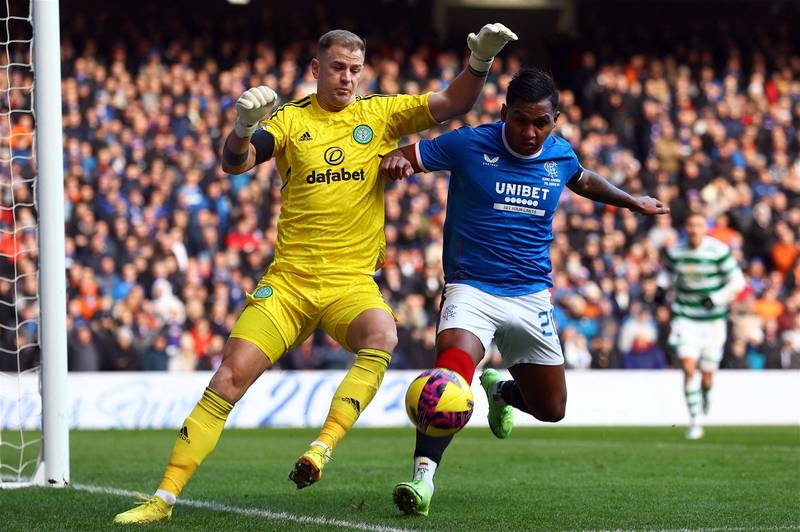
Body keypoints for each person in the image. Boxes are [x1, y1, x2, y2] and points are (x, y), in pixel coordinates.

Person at [113, 24, 518, 524]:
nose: (347, 78)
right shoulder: (288, 120)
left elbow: (453, 102)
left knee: (382, 334)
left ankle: (321, 449)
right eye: (337, 68)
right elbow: (234, 163)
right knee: (228, 378)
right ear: (316, 69)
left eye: (354, 69)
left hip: (350, 283)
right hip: (288, 283)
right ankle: (163, 498)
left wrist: (479, 63)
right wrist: (240, 130)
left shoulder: (381, 113)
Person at [377, 68, 669, 516]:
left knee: (551, 408)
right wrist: (398, 160)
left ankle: (500, 393)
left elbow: (582, 178)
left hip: (531, 294)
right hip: (470, 286)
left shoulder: (559, 155)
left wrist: (630, 200)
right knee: (447, 380)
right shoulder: (468, 143)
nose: (530, 132)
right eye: (520, 120)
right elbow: (405, 155)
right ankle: (422, 480)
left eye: (541, 123)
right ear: (503, 113)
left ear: (555, 120)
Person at [656, 212, 745, 440]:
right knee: (687, 368)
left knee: (707, 376)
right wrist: (660, 289)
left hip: (713, 321)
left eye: (699, 225)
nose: (694, 229)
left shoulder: (719, 251)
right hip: (686, 317)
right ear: (686, 228)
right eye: (691, 225)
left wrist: (716, 298)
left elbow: (738, 282)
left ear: (706, 228)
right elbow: (667, 275)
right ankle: (695, 421)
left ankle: (705, 394)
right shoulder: (676, 252)